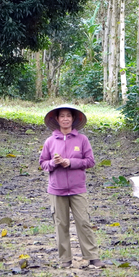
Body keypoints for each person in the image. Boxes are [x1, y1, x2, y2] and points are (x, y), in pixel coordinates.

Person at [39, 104, 104, 268]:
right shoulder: (50, 141)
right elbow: (43, 163)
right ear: (57, 119)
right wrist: (54, 163)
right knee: (61, 224)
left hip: (77, 188)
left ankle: (92, 256)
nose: (65, 119)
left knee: (83, 221)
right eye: (62, 116)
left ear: (73, 119)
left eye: (68, 116)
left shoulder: (82, 140)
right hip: (57, 189)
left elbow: (90, 161)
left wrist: (71, 162)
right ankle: (65, 259)